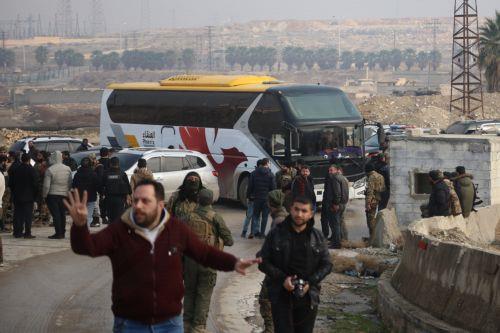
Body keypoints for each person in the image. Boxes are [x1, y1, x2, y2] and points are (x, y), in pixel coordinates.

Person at [66, 179, 260, 332]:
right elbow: (87, 247)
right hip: (130, 324)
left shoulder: (176, 229)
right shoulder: (119, 230)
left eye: (145, 201)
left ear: (160, 205)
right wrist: (80, 226)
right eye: (135, 200)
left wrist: (233, 263)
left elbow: (204, 253)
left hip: (170, 324)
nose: (138, 206)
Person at [258, 196, 332, 333]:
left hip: (308, 297)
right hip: (281, 296)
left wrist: (310, 282)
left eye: (304, 211)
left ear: (311, 214)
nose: (299, 214)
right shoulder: (276, 233)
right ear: (290, 210)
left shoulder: (317, 236)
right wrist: (282, 279)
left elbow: (327, 265)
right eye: (296, 209)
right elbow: (263, 261)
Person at [183, 188, 234, 333]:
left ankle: (186, 325)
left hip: (190, 262)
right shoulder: (216, 217)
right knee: (203, 295)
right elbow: (229, 241)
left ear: (198, 199)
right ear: (211, 201)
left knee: (190, 292)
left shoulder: (188, 216)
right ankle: (198, 328)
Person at [259, 189, 288, 333]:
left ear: (271, 204)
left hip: (277, 269)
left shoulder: (279, 221)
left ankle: (270, 329)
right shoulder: (284, 217)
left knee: (265, 299)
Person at [43, 151, 73, 239]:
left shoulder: (50, 169)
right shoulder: (67, 168)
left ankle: (58, 233)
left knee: (55, 215)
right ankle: (62, 232)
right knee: (62, 214)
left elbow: (46, 185)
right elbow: (70, 182)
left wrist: (44, 195)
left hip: (52, 195)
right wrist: (67, 192)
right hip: (64, 194)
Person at [9, 153, 39, 238]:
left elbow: (11, 183)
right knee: (28, 215)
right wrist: (35, 196)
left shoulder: (16, 169)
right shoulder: (31, 170)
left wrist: (14, 192)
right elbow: (35, 184)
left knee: (18, 214)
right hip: (29, 196)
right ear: (29, 160)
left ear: (21, 159)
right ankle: (27, 233)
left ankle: (17, 232)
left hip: (17, 195)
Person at [322, 164, 349, 249]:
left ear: (337, 170)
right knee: (338, 223)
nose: (330, 172)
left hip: (336, 205)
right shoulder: (342, 178)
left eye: (331, 170)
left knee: (335, 224)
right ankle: (337, 240)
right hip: (342, 204)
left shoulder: (335, 178)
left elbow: (337, 193)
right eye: (329, 170)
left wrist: (335, 204)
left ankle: (336, 244)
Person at [247, 158, 275, 238]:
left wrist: (249, 196)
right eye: (269, 163)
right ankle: (262, 234)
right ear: (267, 163)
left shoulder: (254, 173)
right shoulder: (270, 174)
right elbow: (273, 188)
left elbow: (250, 186)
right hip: (266, 199)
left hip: (257, 198)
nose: (270, 164)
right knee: (265, 217)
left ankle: (252, 232)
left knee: (255, 215)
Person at [101, 157, 132, 223]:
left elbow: (101, 185)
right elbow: (128, 186)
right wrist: (129, 195)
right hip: (120, 199)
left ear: (110, 164)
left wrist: (102, 194)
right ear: (118, 164)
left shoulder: (106, 173)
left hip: (109, 198)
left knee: (111, 217)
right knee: (119, 217)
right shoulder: (122, 173)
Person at [72, 157, 101, 227]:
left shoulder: (77, 174)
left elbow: (74, 185)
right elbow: (97, 185)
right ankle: (85, 229)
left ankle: (81, 228)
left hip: (80, 197)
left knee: (81, 214)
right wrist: (100, 192)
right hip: (91, 197)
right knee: (89, 215)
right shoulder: (93, 174)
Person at [365, 164, 386, 240]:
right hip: (378, 198)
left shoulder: (371, 177)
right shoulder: (380, 176)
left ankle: (373, 238)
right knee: (374, 218)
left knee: (370, 219)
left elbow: (370, 191)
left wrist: (368, 203)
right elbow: (383, 188)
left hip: (372, 200)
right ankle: (374, 237)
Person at [96, 147, 111, 224]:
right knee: (108, 201)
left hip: (99, 185)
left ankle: (103, 216)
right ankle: (107, 216)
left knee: (101, 202)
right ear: (107, 153)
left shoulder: (97, 162)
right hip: (109, 184)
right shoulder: (110, 161)